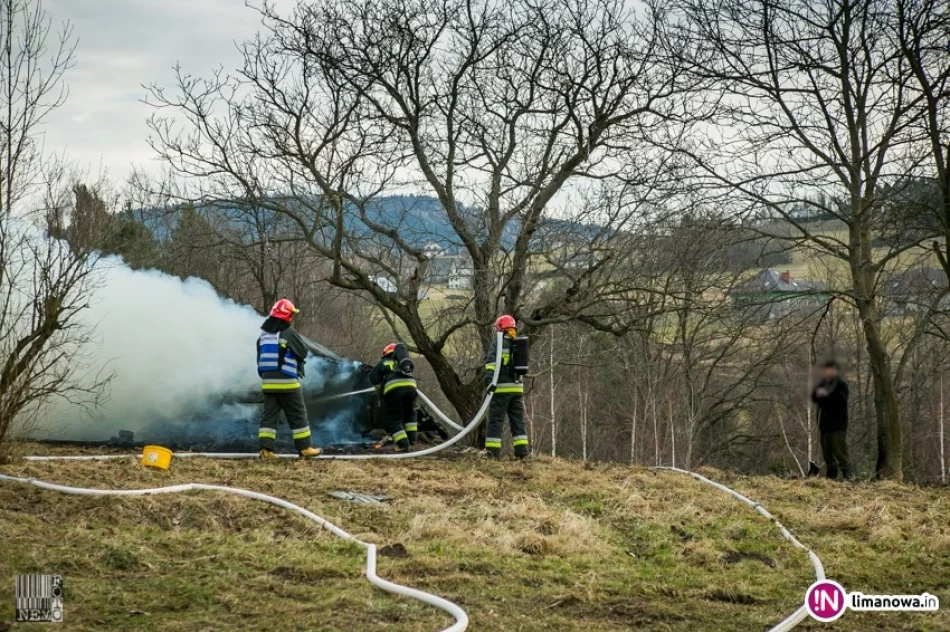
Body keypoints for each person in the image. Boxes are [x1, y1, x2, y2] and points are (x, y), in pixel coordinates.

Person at [256, 298, 322, 459]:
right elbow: (303, 351)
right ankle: (305, 448)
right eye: (291, 315)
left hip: (268, 383)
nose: (292, 318)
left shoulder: (263, 335)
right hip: (286, 381)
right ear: (285, 316)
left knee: (269, 417)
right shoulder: (288, 332)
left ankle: (266, 451)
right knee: (297, 413)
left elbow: (259, 358)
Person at [484, 315, 529, 459]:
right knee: (518, 421)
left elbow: (491, 364)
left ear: (500, 328)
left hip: (501, 389)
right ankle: (522, 453)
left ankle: (492, 454)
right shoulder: (517, 343)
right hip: (517, 389)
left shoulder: (497, 343)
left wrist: (490, 383)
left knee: (496, 420)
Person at [369, 343, 417, 451]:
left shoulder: (384, 362)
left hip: (394, 389)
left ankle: (403, 445)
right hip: (411, 386)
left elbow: (373, 379)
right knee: (410, 412)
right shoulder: (404, 364)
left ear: (386, 354)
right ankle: (412, 439)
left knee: (393, 419)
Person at [811, 360, 852, 480]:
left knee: (840, 450)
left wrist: (826, 395)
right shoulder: (823, 384)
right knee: (827, 452)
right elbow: (815, 398)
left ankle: (848, 475)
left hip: (838, 424)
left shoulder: (841, 385)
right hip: (824, 424)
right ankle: (831, 475)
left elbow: (841, 401)